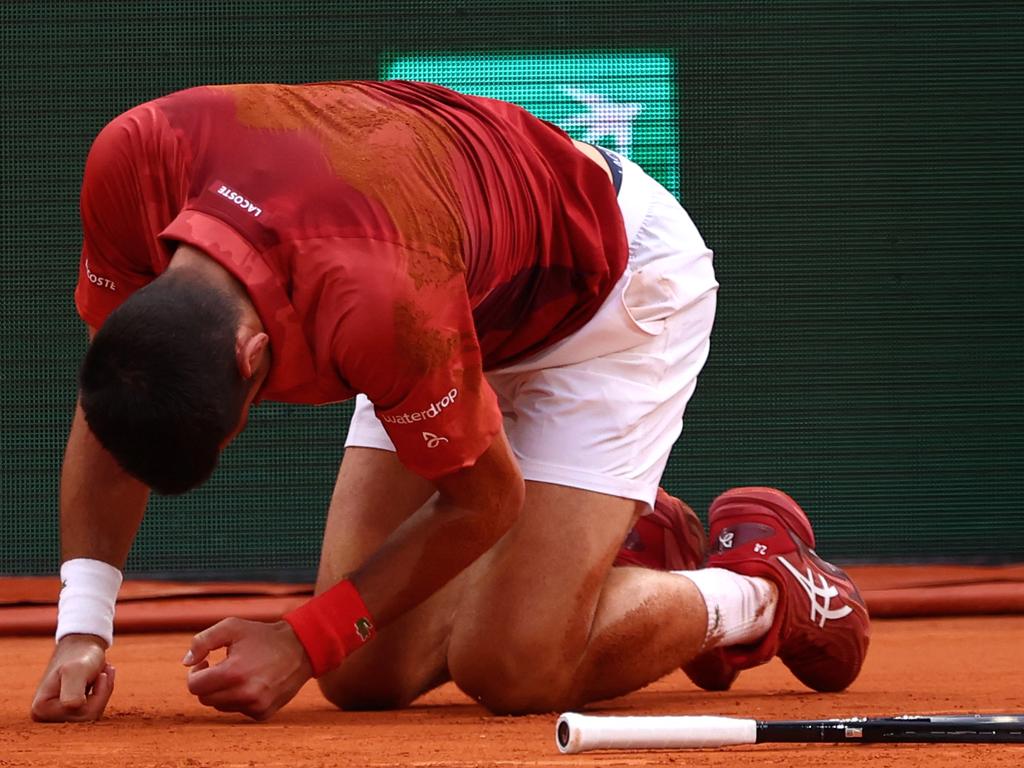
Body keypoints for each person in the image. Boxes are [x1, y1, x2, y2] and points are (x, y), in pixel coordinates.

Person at [30, 81, 869, 723]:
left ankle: (761, 588)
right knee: (362, 673)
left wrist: (299, 638)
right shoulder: (131, 164)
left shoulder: (376, 304)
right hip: (449, 280)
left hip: (609, 295)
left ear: (254, 361)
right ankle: (618, 548)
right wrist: (82, 627)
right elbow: (120, 388)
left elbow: (485, 498)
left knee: (512, 668)